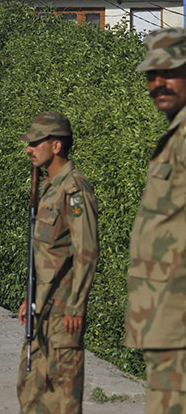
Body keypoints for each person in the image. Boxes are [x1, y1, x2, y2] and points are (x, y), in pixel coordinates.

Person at [16, 111, 99, 414]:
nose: (29, 148)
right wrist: (30, 297)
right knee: (32, 391)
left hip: (64, 314)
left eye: (36, 142)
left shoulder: (74, 189)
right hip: (42, 310)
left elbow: (86, 251)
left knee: (63, 396)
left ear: (56, 146)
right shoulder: (49, 188)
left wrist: (76, 306)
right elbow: (44, 255)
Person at [128, 27, 186, 413]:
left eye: (169, 71)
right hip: (165, 319)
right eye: (151, 74)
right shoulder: (175, 134)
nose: (158, 83)